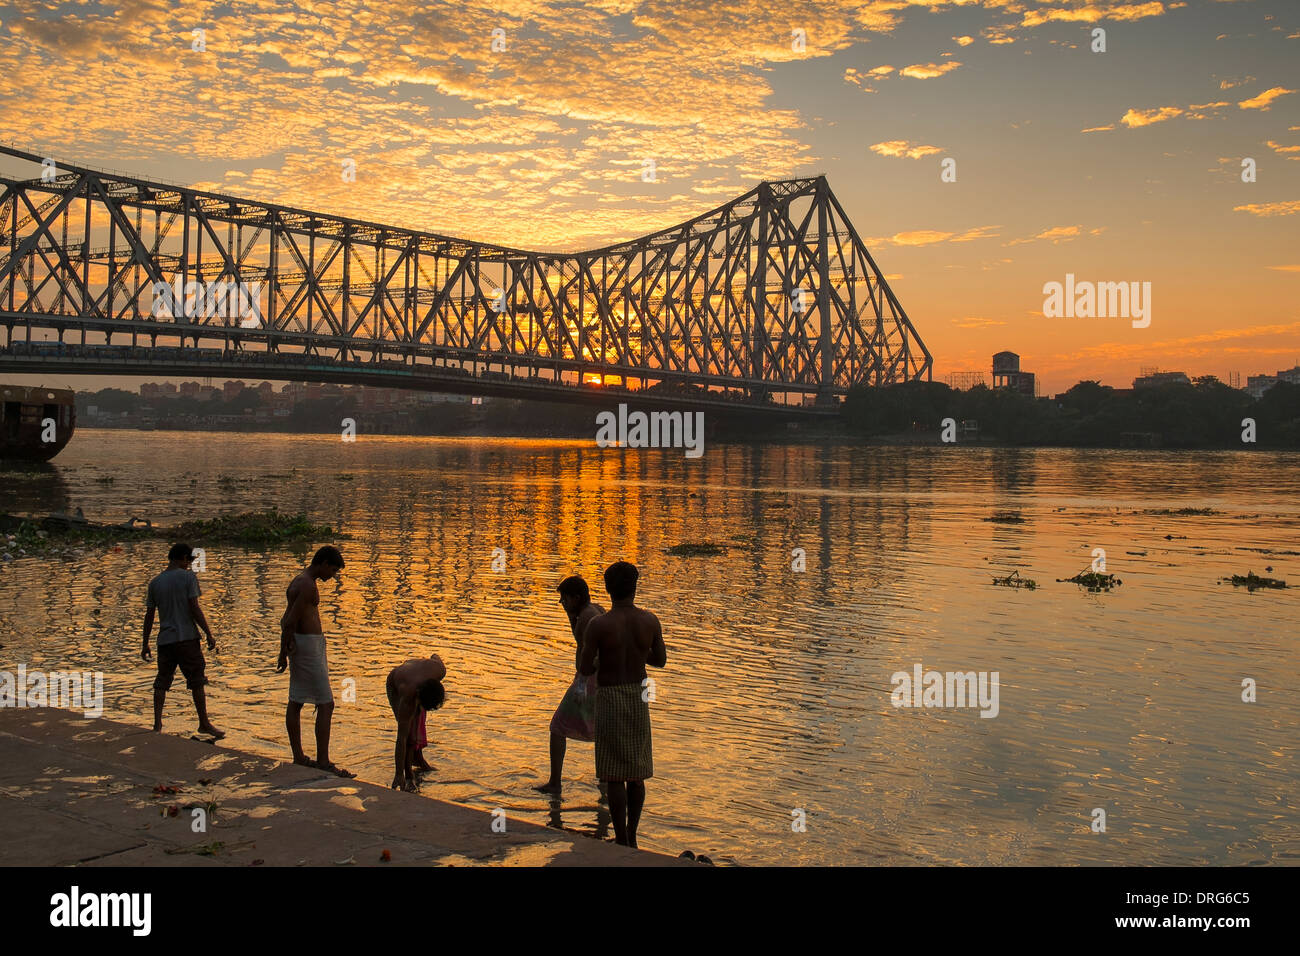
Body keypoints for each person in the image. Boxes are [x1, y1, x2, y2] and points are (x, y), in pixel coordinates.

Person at [578, 561, 666, 848]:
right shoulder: (650, 621)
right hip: (639, 694)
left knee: (613, 773)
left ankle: (620, 836)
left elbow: (585, 668)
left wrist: (601, 660)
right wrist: (638, 655)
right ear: (635, 587)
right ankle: (634, 833)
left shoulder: (599, 624)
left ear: (607, 589)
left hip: (611, 694)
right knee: (636, 772)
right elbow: (660, 660)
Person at [278, 545, 353, 777]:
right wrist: (282, 651)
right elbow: (290, 620)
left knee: (297, 700)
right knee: (326, 703)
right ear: (323, 564)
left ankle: (299, 756)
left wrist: (285, 647)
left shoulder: (298, 580)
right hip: (307, 648)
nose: (333, 576)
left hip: (304, 645)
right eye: (332, 570)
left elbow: (285, 620)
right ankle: (322, 760)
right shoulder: (308, 586)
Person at [142, 542, 223, 739]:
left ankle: (157, 724)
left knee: (162, 682)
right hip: (187, 638)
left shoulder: (155, 582)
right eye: (189, 561)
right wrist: (209, 633)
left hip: (165, 640)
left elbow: (149, 615)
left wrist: (144, 643)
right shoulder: (188, 577)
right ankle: (203, 723)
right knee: (196, 681)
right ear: (184, 558)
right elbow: (194, 608)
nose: (189, 565)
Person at [533, 576, 604, 794]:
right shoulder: (596, 609)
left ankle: (555, 782)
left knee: (557, 726)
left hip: (588, 678)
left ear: (576, 598)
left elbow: (583, 650)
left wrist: (581, 684)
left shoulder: (584, 618)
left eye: (564, 600)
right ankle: (606, 785)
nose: (562, 604)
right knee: (601, 733)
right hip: (602, 678)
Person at [385, 654, 447, 792]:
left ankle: (417, 758)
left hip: (414, 675)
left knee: (416, 726)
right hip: (395, 684)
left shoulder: (440, 670)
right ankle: (407, 775)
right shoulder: (407, 696)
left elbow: (435, 655)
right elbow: (401, 739)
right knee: (408, 732)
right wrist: (398, 774)